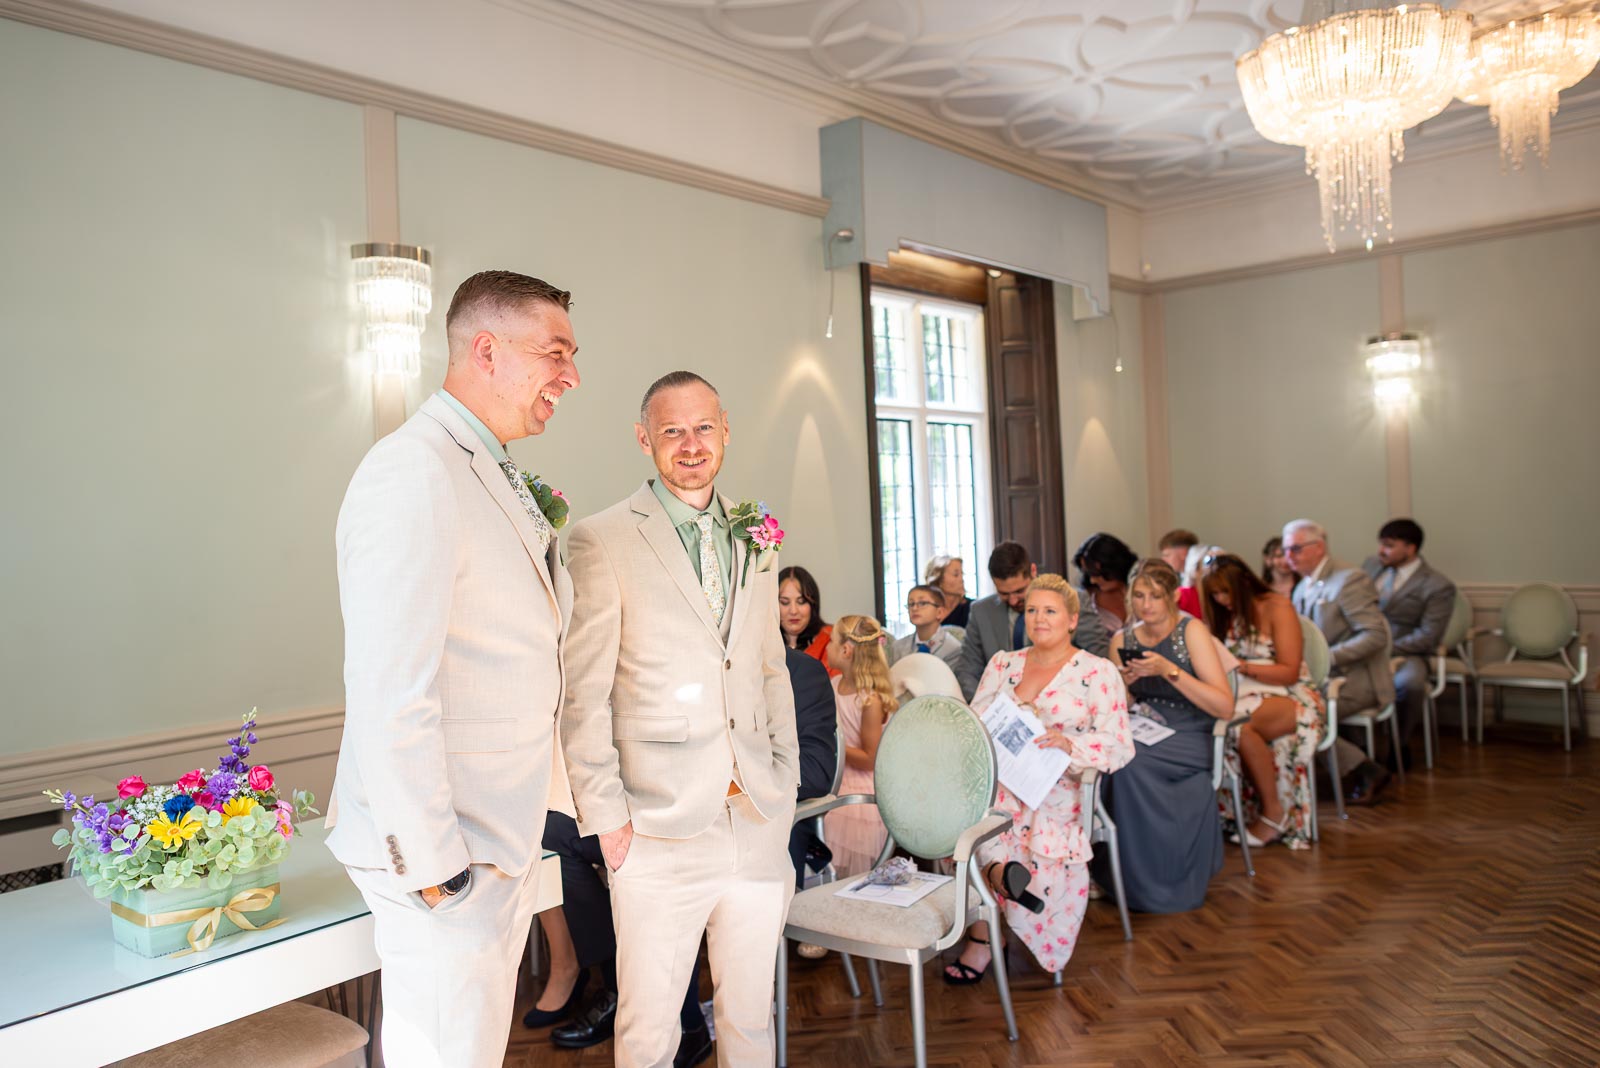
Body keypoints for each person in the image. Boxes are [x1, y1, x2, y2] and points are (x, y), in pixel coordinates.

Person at [328, 271, 579, 1067]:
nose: (571, 377)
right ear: (486, 350)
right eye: (556, 353)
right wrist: (437, 873)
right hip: (448, 857)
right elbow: (388, 689)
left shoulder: (484, 466)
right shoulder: (414, 469)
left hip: (499, 840)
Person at [561, 371, 800, 1068]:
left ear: (725, 429)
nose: (690, 445)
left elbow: (767, 668)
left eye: (702, 428)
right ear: (645, 440)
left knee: (751, 1024)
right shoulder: (602, 540)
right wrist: (610, 823)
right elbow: (584, 694)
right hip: (655, 831)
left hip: (755, 819)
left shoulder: (757, 533)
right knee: (648, 1034)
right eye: (671, 431)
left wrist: (780, 786)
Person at [533, 647, 835, 1066]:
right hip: (662, 826)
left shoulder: (803, 672)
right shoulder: (689, 657)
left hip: (763, 825)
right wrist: (613, 823)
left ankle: (684, 1019)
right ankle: (603, 976)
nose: (789, 609)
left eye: (797, 600)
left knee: (748, 1017)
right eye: (783, 601)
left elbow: (817, 769)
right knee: (554, 836)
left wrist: (769, 794)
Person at [943, 575, 1132, 985]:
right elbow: (975, 725)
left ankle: (994, 904)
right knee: (961, 817)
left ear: (1072, 619)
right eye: (1031, 610)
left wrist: (1068, 744)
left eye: (1049, 611)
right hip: (999, 783)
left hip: (1055, 791)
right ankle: (987, 922)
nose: (1038, 618)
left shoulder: (1098, 673)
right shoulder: (1002, 664)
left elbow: (1119, 743)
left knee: (993, 829)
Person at [1098, 559, 1234, 913]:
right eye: (1139, 596)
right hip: (1143, 723)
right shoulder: (1121, 639)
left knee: (1131, 763)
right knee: (1110, 758)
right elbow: (1121, 705)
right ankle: (1121, 875)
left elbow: (1224, 706)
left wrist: (1168, 670)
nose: (1146, 605)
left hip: (1192, 726)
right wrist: (1123, 684)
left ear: (1172, 596)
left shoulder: (1191, 631)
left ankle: (1159, 882)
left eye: (1155, 596)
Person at [1200, 552, 1325, 848]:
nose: (1219, 599)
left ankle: (1273, 812)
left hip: (1292, 694)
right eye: (1213, 593)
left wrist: (1239, 666)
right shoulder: (1223, 613)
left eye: (1224, 592)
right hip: (1243, 692)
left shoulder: (1277, 607)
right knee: (1211, 722)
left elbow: (1290, 671)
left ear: (1243, 584)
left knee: (1239, 726)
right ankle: (1226, 813)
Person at [1283, 519, 1394, 805]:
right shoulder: (1301, 587)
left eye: (1295, 549)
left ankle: (1364, 769)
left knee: (1296, 717)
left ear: (1318, 547)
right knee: (1280, 709)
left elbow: (1374, 635)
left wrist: (1326, 658)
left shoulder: (1349, 580)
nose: (1288, 557)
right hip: (1319, 680)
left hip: (1356, 680)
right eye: (1285, 550)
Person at [1362, 518, 1457, 765]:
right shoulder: (1371, 567)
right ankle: (1358, 751)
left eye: (1389, 545)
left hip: (1410, 653)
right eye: (1381, 544)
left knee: (1410, 684)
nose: (1381, 551)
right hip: (1365, 647)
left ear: (1410, 548)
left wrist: (1386, 649)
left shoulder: (1437, 585)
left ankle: (1399, 744)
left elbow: (1429, 636)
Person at [822, 615, 898, 877]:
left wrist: (832, 745)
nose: (827, 648)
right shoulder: (832, 686)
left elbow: (869, 758)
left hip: (860, 795)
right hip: (836, 781)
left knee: (855, 876)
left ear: (846, 650)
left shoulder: (869, 700)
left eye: (831, 642)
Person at [954, 542, 1038, 700]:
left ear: (1033, 571)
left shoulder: (1066, 603)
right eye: (1004, 593)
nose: (1013, 601)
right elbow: (967, 670)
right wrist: (985, 707)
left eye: (1020, 591)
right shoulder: (981, 612)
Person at [1071, 532, 1139, 655]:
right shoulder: (1085, 599)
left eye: (1096, 573)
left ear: (1114, 566)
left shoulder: (1142, 590)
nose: (1092, 580)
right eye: (1088, 574)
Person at [779, 565, 837, 677]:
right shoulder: (764, 643)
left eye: (801, 602)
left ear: (813, 604)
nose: (793, 611)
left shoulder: (832, 639)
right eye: (785, 602)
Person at [888, 585, 964, 669]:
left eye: (922, 603)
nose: (915, 608)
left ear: (939, 612)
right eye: (911, 604)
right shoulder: (898, 647)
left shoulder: (953, 648)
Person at [925, 555, 973, 628]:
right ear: (939, 580)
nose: (962, 579)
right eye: (956, 575)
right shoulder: (927, 611)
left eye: (962, 574)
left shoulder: (973, 609)